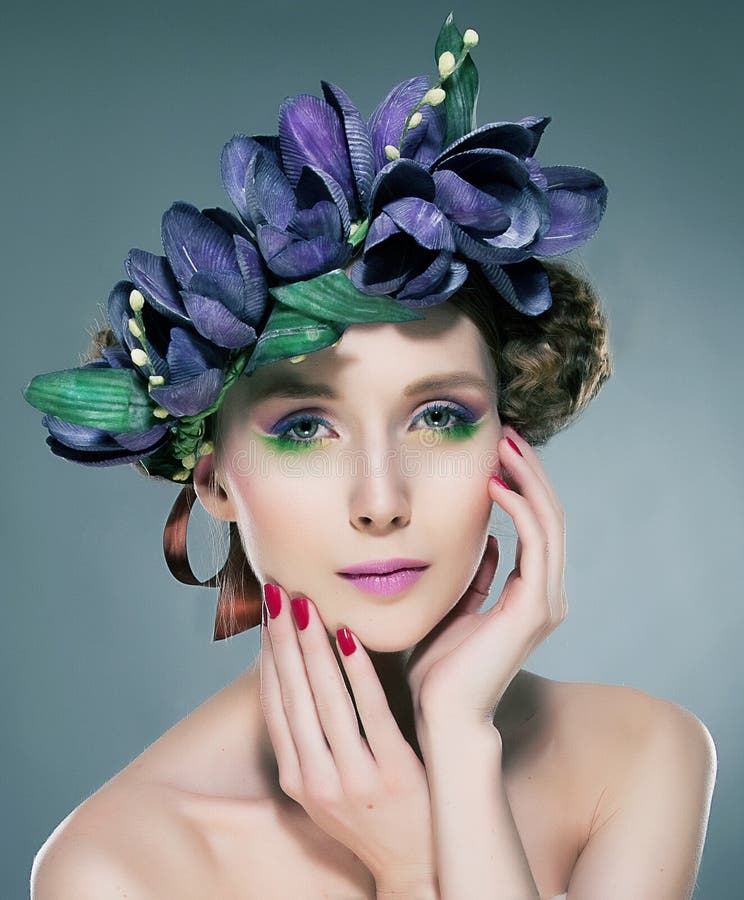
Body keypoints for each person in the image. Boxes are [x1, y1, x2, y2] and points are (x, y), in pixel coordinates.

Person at [25, 15, 716, 899]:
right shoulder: (119, 869)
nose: (381, 500)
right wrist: (415, 868)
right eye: (305, 428)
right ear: (215, 480)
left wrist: (460, 751)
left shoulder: (642, 756)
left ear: (507, 442)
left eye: (437, 416)